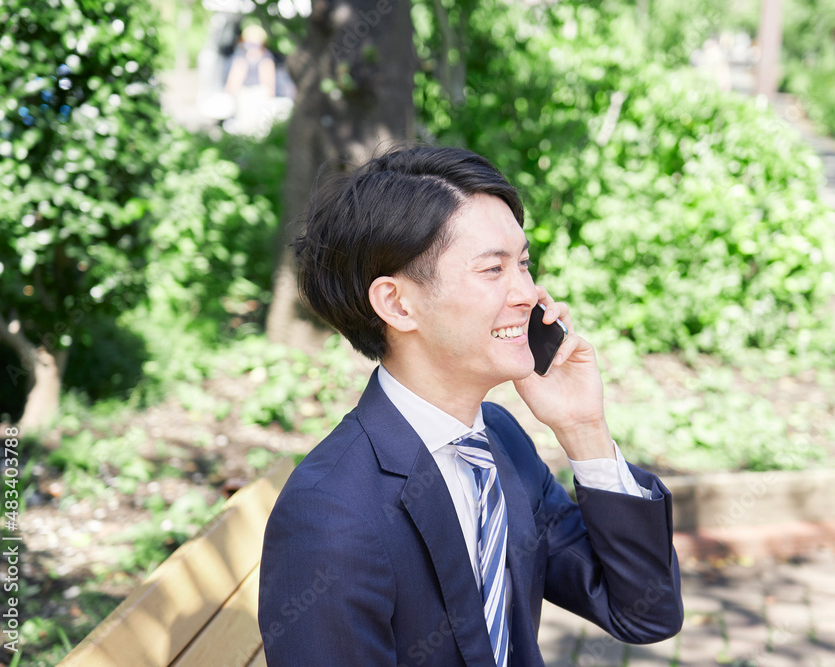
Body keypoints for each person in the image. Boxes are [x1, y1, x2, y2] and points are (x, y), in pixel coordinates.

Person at [257, 146, 684, 666]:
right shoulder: (331, 515)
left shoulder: (498, 440)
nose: (528, 292)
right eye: (493, 270)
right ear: (396, 303)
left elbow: (644, 613)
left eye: (523, 263)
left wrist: (583, 427)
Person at [222, 24, 276, 135]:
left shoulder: (266, 57)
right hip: (244, 93)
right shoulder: (241, 56)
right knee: (243, 124)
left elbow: (268, 79)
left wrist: (269, 94)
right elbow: (235, 76)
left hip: (259, 93)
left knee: (259, 125)